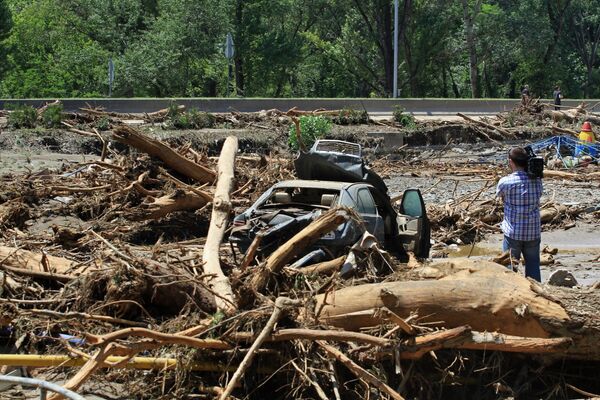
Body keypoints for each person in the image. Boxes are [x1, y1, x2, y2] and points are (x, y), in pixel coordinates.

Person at [496, 147, 543, 281]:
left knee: (510, 267)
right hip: (533, 231)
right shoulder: (537, 181)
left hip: (513, 233)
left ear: (511, 162)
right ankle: (536, 293)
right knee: (533, 266)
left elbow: (500, 196)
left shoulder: (505, 182)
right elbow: (539, 195)